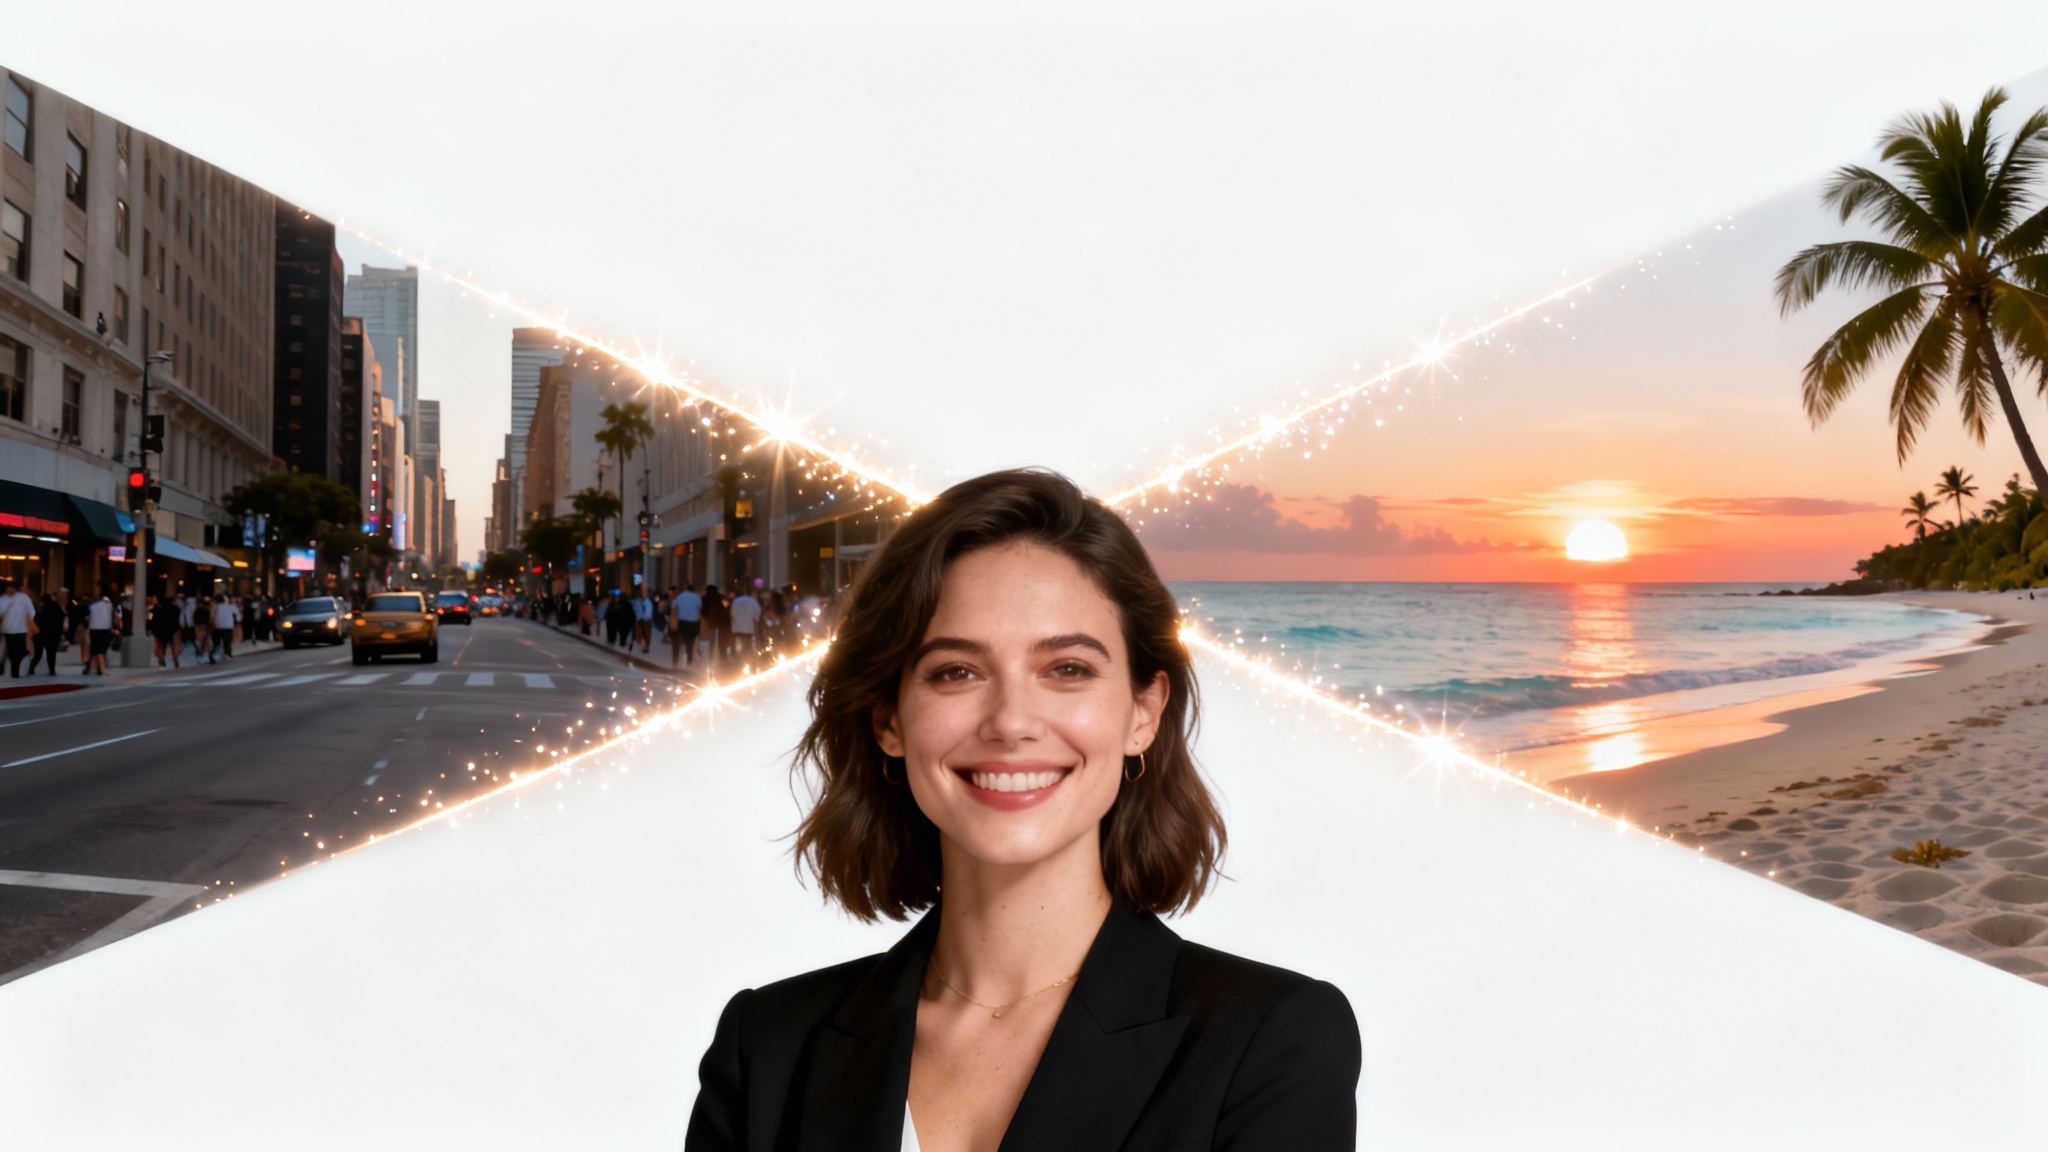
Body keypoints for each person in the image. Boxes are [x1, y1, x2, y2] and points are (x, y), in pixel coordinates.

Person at [685, 470, 1359, 1151]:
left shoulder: (1271, 1039)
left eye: (1068, 669)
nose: (1011, 722)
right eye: (956, 671)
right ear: (888, 717)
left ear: (1143, 712)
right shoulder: (766, 1047)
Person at [0, 581, 34, 678]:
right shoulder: (2, 599)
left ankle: (15, 667)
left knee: (20, 651)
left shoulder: (23, 598)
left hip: (21, 629)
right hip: (8, 630)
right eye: (8, 588)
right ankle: (15, 672)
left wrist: (29, 623)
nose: (10, 590)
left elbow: (31, 611)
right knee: (11, 652)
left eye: (12, 588)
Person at [29, 593, 63, 675]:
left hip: (41, 634)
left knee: (38, 654)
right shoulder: (56, 607)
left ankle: (31, 668)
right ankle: (52, 670)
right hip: (53, 634)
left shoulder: (42, 609)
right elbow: (61, 617)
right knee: (51, 653)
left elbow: (37, 620)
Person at [670, 584, 702, 669]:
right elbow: (700, 609)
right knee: (691, 642)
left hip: (682, 622)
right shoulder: (697, 597)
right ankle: (690, 662)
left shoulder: (680, 596)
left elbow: (674, 609)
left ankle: (678, 663)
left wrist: (673, 622)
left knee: (681, 641)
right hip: (694, 623)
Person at [149, 593, 182, 669]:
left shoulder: (156, 608)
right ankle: (175, 661)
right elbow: (178, 618)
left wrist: (152, 629)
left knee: (161, 646)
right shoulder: (174, 608)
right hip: (172, 629)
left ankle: (161, 659)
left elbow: (151, 619)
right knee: (173, 646)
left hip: (160, 630)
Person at [85, 591, 114, 675]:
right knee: (100, 650)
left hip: (94, 628)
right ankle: (101, 668)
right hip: (104, 628)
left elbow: (88, 617)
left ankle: (93, 667)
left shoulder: (92, 607)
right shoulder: (108, 605)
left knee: (95, 649)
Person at [699, 583, 729, 666]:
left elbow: (703, 611)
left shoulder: (705, 598)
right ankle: (723, 658)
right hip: (722, 623)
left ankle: (711, 658)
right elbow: (726, 608)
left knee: (711, 642)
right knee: (722, 642)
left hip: (710, 623)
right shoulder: (721, 598)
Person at [728, 584, 760, 658]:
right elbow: (757, 618)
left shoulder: (736, 601)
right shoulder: (754, 602)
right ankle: (746, 662)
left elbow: (732, 616)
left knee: (737, 647)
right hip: (749, 629)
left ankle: (737, 661)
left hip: (737, 629)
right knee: (747, 647)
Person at [632, 586, 654, 653]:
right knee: (640, 634)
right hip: (640, 620)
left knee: (647, 634)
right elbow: (635, 610)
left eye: (645, 593)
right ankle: (641, 646)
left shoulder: (648, 602)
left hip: (646, 620)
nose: (644, 594)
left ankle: (646, 647)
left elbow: (649, 611)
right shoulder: (637, 602)